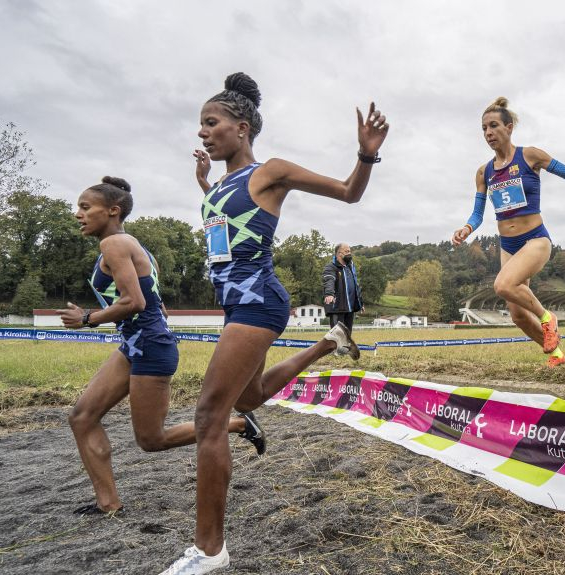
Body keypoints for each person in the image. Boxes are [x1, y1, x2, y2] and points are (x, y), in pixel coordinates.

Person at [161, 72, 388, 575]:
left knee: (208, 416)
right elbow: (221, 218)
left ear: (241, 128)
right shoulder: (220, 184)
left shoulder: (272, 172)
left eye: (210, 122)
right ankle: (326, 345)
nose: (202, 132)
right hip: (238, 305)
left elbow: (349, 192)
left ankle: (210, 551)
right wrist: (203, 184)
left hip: (258, 302)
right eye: (200, 124)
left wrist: (366, 154)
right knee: (248, 397)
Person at [59, 177, 264, 516]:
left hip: (150, 347)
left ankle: (239, 424)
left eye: (85, 207)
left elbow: (135, 301)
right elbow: (155, 302)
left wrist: (87, 318)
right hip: (137, 344)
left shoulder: (113, 245)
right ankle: (108, 504)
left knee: (151, 440)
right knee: (82, 417)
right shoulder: (134, 246)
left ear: (113, 210)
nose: (77, 214)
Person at [450, 97, 565, 367]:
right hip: (507, 246)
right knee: (518, 316)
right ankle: (557, 354)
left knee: (502, 285)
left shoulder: (530, 155)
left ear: (509, 128)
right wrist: (466, 228)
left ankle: (548, 318)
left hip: (535, 239)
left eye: (493, 126)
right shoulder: (483, 171)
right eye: (483, 129)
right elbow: (478, 213)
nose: (488, 133)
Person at [323, 243, 363, 332]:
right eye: (347, 251)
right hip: (337, 308)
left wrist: (360, 302)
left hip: (350, 309)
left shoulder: (350, 267)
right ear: (339, 253)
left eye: (350, 251)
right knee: (337, 336)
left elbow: (355, 285)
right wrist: (329, 294)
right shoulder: (330, 267)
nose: (349, 253)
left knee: (347, 337)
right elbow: (329, 280)